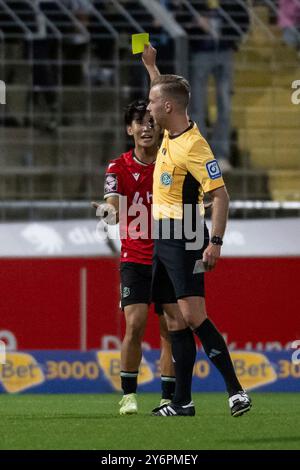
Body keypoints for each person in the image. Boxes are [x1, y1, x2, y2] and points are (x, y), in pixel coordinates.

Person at [142, 44, 251, 417]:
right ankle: (181, 402)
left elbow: (221, 195)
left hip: (187, 231)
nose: (149, 108)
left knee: (193, 316)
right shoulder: (172, 132)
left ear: (168, 108)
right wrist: (152, 68)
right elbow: (163, 91)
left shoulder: (194, 147)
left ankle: (236, 391)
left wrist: (216, 242)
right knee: (173, 319)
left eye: (153, 103)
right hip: (162, 233)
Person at [93, 100, 175, 415]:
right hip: (135, 257)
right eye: (139, 122)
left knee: (171, 327)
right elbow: (112, 206)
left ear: (160, 128)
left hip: (168, 256)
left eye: (152, 122)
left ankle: (169, 397)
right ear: (130, 129)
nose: (146, 127)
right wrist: (108, 212)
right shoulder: (117, 167)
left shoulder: (170, 163)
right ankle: (129, 395)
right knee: (135, 324)